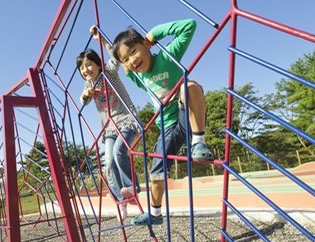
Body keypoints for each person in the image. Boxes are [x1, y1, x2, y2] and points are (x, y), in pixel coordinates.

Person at [111, 18, 214, 226]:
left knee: (190, 86)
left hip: (186, 116)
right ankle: (156, 213)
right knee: (156, 172)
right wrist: (108, 46)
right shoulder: (138, 78)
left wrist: (153, 34)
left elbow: (189, 26)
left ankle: (198, 142)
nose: (132, 60)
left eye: (134, 51)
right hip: (166, 128)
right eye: (126, 59)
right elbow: (124, 68)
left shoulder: (168, 56)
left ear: (146, 45)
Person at [78, 25, 142, 222]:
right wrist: (84, 95)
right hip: (108, 129)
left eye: (89, 64)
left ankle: (132, 188)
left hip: (126, 120)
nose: (85, 70)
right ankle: (119, 200)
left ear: (97, 64)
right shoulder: (88, 85)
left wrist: (101, 39)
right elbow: (84, 100)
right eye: (81, 68)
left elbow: (114, 56)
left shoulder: (109, 73)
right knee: (108, 164)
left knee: (118, 152)